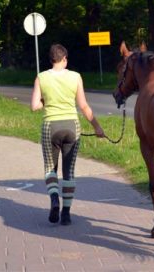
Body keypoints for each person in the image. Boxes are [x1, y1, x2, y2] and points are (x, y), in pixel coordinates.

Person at [31, 44, 105, 225]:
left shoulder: (41, 77)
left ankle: (54, 199)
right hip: (72, 126)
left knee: (50, 168)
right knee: (69, 172)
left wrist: (44, 101)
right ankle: (66, 214)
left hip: (51, 127)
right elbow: (84, 106)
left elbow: (34, 106)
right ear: (64, 59)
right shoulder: (75, 77)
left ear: (51, 60)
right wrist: (97, 127)